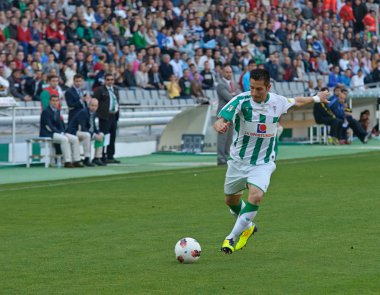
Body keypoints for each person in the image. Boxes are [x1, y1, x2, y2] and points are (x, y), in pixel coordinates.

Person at [213, 69, 330, 254]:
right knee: (230, 201)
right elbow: (220, 119)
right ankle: (248, 226)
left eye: (258, 89)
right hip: (238, 161)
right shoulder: (241, 101)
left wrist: (316, 98)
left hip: (263, 162)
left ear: (268, 87)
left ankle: (231, 238)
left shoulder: (277, 102)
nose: (254, 93)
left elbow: (297, 101)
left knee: (256, 196)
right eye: (251, 88)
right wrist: (220, 125)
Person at [39, 94, 83, 168]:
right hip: (48, 133)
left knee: (75, 139)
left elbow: (60, 125)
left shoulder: (58, 111)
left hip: (57, 133)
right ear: (50, 101)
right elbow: (49, 126)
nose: (55, 102)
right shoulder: (46, 111)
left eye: (56, 101)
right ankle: (67, 161)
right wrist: (61, 133)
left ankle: (76, 160)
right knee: (64, 139)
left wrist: (63, 132)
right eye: (53, 101)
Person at [66, 98, 105, 166]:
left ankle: (97, 157)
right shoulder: (83, 112)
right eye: (92, 105)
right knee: (87, 135)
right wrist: (94, 135)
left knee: (101, 135)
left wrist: (98, 133)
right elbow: (83, 128)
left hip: (84, 132)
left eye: (95, 106)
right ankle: (87, 158)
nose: (94, 107)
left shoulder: (93, 113)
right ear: (89, 105)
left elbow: (93, 127)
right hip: (74, 131)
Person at [93, 73, 121, 164]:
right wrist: (98, 114)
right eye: (108, 79)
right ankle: (101, 156)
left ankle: (110, 155)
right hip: (105, 116)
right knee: (104, 136)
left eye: (111, 79)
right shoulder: (100, 90)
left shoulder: (115, 90)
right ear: (105, 80)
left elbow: (116, 102)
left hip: (113, 115)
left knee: (112, 136)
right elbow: (95, 102)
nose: (110, 81)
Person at [216, 65, 237, 165]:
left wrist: (234, 95)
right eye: (227, 72)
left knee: (229, 137)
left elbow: (237, 94)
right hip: (223, 114)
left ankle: (227, 156)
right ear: (223, 73)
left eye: (230, 72)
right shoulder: (220, 84)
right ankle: (221, 158)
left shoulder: (234, 84)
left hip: (231, 113)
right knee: (222, 137)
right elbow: (229, 97)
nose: (229, 74)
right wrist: (234, 95)